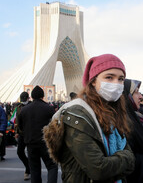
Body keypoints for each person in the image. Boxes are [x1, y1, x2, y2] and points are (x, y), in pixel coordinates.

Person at [43, 54, 135, 182]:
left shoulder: (113, 113)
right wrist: (128, 158)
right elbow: (98, 169)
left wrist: (125, 160)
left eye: (121, 79)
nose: (116, 84)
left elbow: (128, 161)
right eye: (109, 77)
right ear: (93, 82)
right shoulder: (77, 115)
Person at [18, 86, 58, 183]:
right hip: (46, 143)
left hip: (31, 143)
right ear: (43, 96)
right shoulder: (49, 109)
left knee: (35, 169)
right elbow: (55, 126)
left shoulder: (24, 110)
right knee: (52, 166)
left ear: (31, 97)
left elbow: (20, 127)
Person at [14, 92, 31, 180]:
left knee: (31, 153)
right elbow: (17, 121)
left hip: (31, 133)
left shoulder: (32, 106)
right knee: (19, 152)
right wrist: (16, 132)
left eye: (25, 99)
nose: (24, 101)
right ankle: (28, 165)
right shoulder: (19, 107)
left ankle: (28, 171)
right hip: (21, 134)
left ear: (28, 98)